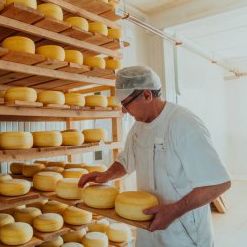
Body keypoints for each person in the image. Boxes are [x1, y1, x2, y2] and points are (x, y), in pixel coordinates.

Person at [78, 66, 231, 247]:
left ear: (147, 95)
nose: (123, 111)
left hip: (183, 234)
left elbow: (218, 183)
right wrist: (106, 175)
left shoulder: (184, 124)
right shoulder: (138, 128)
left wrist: (174, 210)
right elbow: (126, 161)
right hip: (148, 230)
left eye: (125, 103)